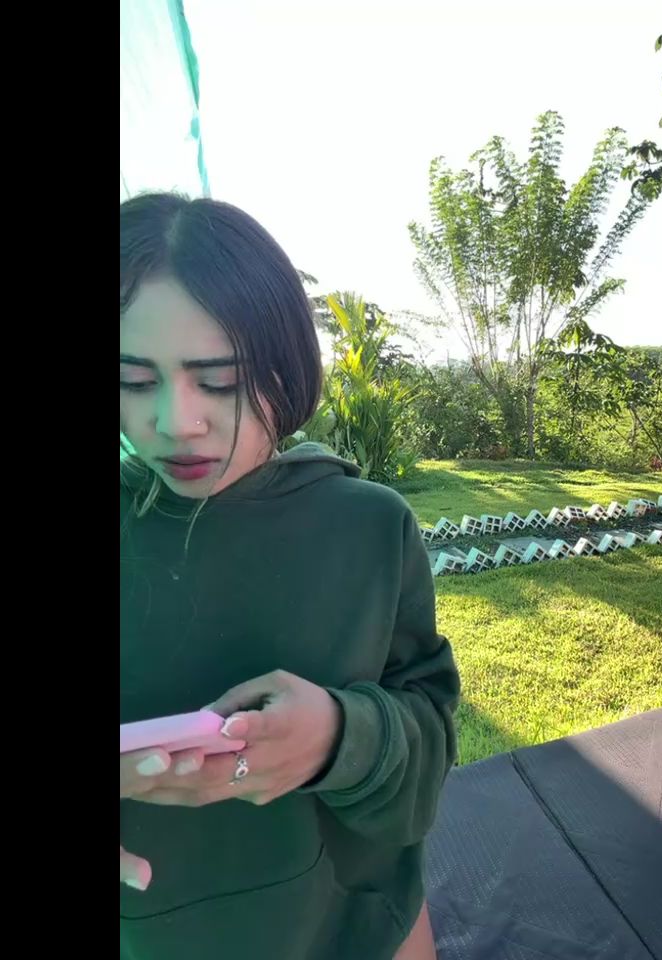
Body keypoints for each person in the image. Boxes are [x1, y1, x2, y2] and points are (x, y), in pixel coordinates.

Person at [120, 193, 460, 960]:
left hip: (357, 925)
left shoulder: (369, 528)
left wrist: (341, 737)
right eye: (134, 380)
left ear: (286, 363)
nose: (175, 421)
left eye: (220, 379)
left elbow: (430, 735)